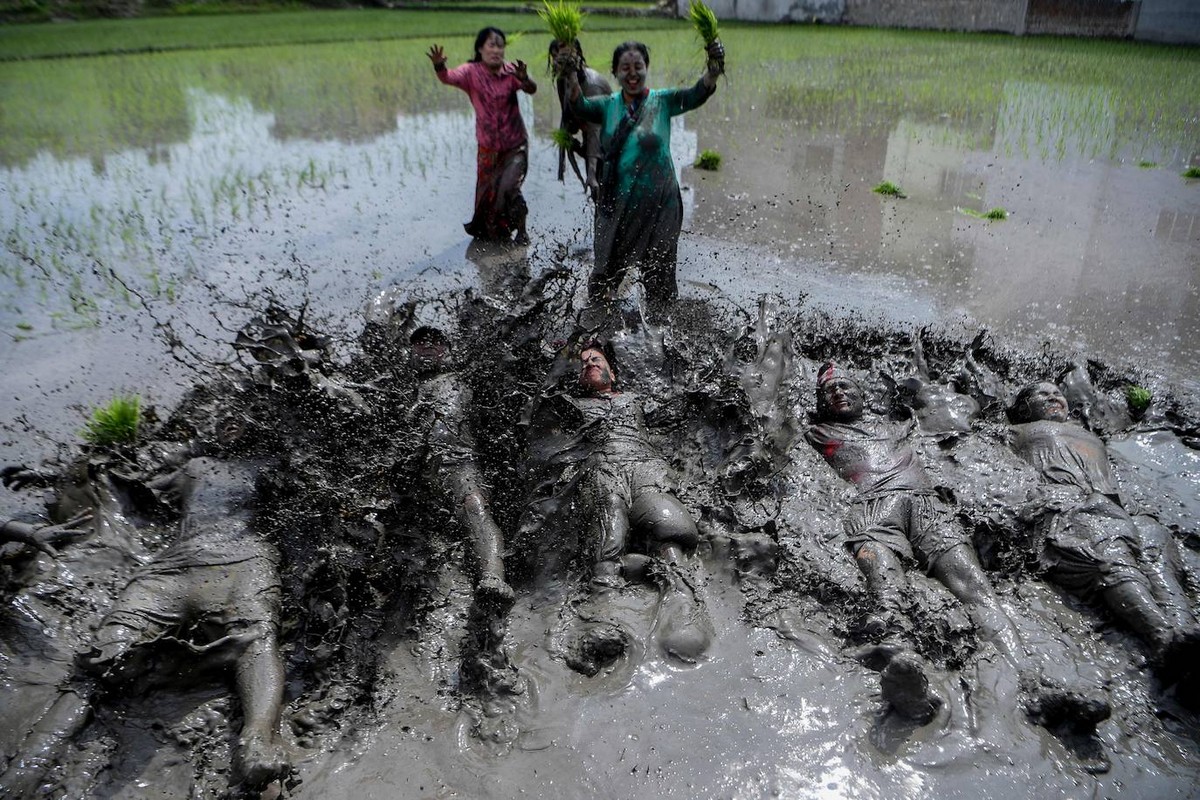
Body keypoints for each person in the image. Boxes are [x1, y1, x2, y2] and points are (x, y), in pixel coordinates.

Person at [805, 363, 1027, 722]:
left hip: (926, 504)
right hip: (874, 506)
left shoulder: (901, 424)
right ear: (821, 403)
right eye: (830, 391)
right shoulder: (817, 433)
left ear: (864, 394)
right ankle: (907, 672)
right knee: (885, 583)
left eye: (846, 386)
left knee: (975, 587)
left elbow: (938, 402)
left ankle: (1029, 679)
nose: (839, 393)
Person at [522, 342, 712, 674]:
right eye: (582, 364)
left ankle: (680, 596)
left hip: (645, 465)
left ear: (612, 370)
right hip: (600, 468)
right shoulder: (569, 406)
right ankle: (603, 605)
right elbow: (534, 416)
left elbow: (682, 411)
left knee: (669, 524)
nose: (589, 365)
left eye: (596, 360)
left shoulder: (637, 401)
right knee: (606, 531)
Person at [1007, 382, 1200, 671]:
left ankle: (1186, 629)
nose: (1053, 397)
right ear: (1024, 407)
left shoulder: (1089, 433)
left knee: (1156, 548)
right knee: (1110, 552)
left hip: (1118, 504)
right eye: (1042, 394)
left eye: (1058, 393)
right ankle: (1161, 635)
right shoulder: (1014, 433)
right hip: (1068, 499)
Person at [558, 39, 724, 306]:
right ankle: (598, 325)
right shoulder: (607, 105)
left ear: (647, 67)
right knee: (606, 272)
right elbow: (580, 107)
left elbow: (695, 94)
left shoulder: (663, 101)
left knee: (659, 272)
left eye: (638, 66)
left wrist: (713, 70)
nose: (632, 73)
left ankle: (660, 328)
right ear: (614, 72)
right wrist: (569, 73)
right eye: (625, 67)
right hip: (620, 204)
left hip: (661, 204)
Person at [402, 325, 513, 610]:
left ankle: (493, 577)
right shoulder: (398, 387)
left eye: (435, 342)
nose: (427, 346)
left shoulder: (464, 379)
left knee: (474, 505)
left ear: (447, 350)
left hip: (459, 462)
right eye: (420, 342)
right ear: (411, 351)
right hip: (410, 471)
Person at [428, 28, 537, 244]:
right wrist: (439, 64)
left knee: (510, 187)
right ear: (480, 48)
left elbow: (531, 89)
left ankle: (523, 231)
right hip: (488, 149)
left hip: (515, 145)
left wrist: (524, 78)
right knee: (490, 199)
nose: (496, 50)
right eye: (491, 45)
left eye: (500, 45)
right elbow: (448, 77)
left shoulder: (511, 72)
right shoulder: (471, 72)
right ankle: (499, 232)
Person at [548, 38, 611, 198]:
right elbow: (567, 113)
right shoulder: (562, 80)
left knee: (606, 184)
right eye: (556, 55)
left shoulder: (592, 85)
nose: (559, 60)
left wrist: (590, 173)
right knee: (598, 192)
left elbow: (594, 132)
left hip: (608, 138)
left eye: (566, 55)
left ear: (578, 56)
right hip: (589, 136)